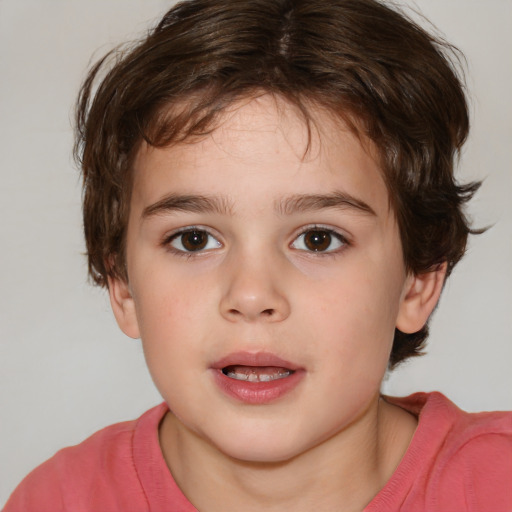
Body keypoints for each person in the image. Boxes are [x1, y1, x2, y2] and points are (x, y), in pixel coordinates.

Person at [4, 0, 511, 510]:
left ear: (419, 279)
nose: (251, 295)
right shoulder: (56, 500)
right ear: (122, 284)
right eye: (194, 239)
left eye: (318, 239)